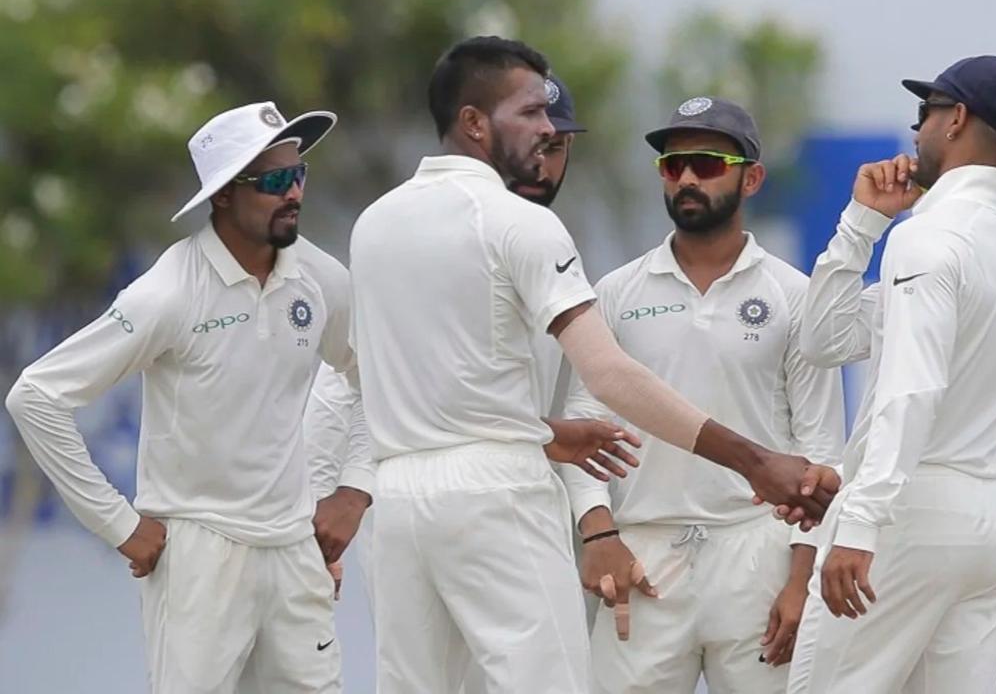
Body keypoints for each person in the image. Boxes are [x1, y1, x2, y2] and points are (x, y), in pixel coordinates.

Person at [347, 36, 839, 693]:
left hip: (401, 497)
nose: (549, 129)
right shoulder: (521, 223)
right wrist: (755, 461)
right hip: (498, 492)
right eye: (530, 114)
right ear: (473, 122)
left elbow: (415, 389)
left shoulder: (373, 224)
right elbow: (607, 377)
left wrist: (549, 434)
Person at [5, 102, 372, 693]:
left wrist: (354, 488)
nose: (293, 192)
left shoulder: (320, 278)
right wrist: (118, 524)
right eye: (274, 181)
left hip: (292, 549)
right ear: (223, 195)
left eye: (299, 174)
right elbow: (37, 396)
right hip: (200, 557)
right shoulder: (169, 293)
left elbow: (372, 378)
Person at [304, 72, 628, 612]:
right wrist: (334, 501)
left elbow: (576, 404)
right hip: (416, 495)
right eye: (533, 141)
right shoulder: (423, 239)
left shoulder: (549, 244)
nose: (541, 160)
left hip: (516, 495)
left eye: (556, 146)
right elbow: (348, 386)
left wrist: (592, 523)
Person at [560, 97, 845, 693]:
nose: (687, 177)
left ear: (752, 178)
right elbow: (583, 422)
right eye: (673, 165)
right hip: (643, 558)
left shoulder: (793, 295)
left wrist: (801, 580)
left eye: (708, 163)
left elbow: (820, 445)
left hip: (756, 557)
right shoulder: (616, 291)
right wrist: (599, 535)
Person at [785, 55, 996, 693]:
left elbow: (911, 390)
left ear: (956, 119)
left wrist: (862, 524)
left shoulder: (930, 239)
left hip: (910, 513)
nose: (915, 131)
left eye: (924, 113)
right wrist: (862, 223)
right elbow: (825, 340)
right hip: (987, 524)